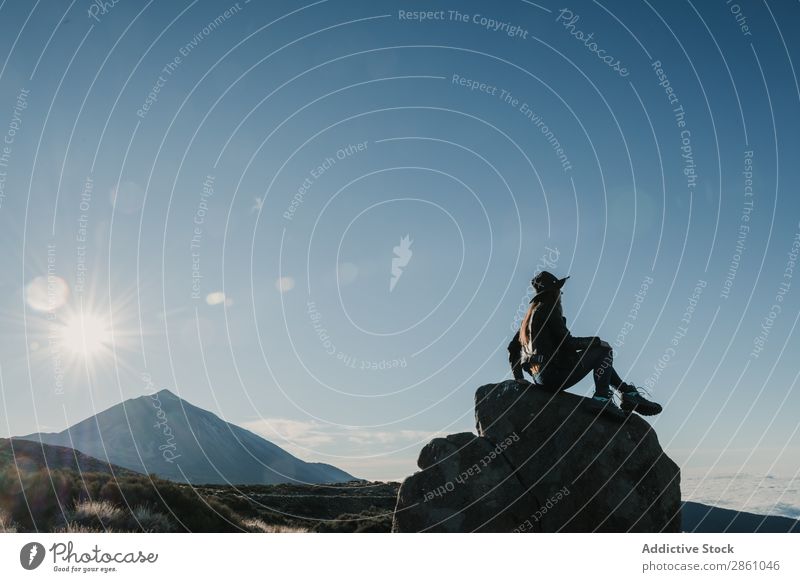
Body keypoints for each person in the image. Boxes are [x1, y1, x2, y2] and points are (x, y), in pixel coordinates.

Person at [508, 271, 662, 420]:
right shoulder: (549, 310)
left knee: (599, 355)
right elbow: (568, 343)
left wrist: (519, 378)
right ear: (553, 293)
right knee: (603, 351)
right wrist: (596, 341)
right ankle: (602, 398)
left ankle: (627, 392)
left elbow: (512, 348)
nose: (561, 296)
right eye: (559, 292)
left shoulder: (527, 320)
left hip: (539, 378)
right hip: (554, 376)